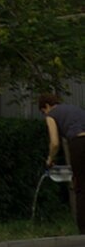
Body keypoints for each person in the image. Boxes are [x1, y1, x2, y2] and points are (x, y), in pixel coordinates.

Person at [38, 93, 85, 233]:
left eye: (43, 111)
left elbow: (54, 143)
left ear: (46, 106)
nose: (44, 114)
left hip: (79, 143)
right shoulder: (74, 109)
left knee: (81, 186)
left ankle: (83, 230)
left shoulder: (51, 115)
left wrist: (49, 159)